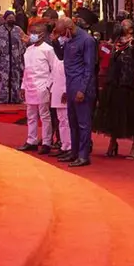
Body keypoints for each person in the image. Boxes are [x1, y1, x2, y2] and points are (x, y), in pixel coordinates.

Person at [95, 18, 134, 159]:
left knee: (131, 116)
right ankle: (113, 142)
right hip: (113, 84)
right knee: (113, 115)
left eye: (124, 25)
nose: (121, 26)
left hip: (128, 85)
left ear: (131, 29)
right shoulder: (115, 44)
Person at [52, 17, 96, 167]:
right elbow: (61, 57)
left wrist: (82, 89)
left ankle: (84, 156)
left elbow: (89, 68)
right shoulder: (69, 39)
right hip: (70, 84)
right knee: (73, 122)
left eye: (63, 33)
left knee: (83, 123)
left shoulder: (87, 40)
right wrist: (55, 41)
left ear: (69, 29)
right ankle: (74, 152)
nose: (62, 36)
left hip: (81, 86)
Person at [17, 23, 56, 154]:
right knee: (31, 115)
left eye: (35, 32)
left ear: (42, 34)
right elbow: (26, 70)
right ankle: (31, 140)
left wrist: (48, 86)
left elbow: (54, 69)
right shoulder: (28, 50)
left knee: (45, 116)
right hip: (29, 86)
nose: (32, 34)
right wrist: (23, 86)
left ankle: (46, 142)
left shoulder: (48, 49)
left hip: (42, 86)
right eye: (31, 32)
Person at [0, 11, 25, 104]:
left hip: (15, 60)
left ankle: (16, 98)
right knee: (3, 80)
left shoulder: (18, 30)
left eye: (13, 18)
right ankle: (3, 98)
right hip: (3, 60)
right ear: (5, 19)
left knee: (15, 79)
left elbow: (25, 40)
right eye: (9, 18)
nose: (11, 19)